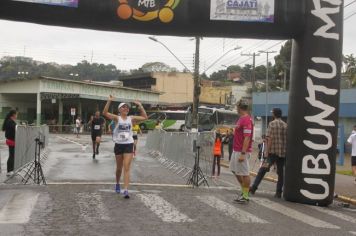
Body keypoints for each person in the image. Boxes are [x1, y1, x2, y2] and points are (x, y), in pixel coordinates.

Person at [103, 96, 147, 199]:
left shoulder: (131, 119)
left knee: (126, 167)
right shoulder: (117, 118)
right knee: (119, 168)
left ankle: (126, 189)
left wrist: (140, 105)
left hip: (128, 144)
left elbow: (145, 117)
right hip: (118, 145)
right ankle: (118, 183)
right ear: (119, 110)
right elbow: (105, 113)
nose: (126, 109)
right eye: (123, 107)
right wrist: (109, 101)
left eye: (127, 107)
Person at [250, 108, 287, 198]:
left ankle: (254, 187)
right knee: (280, 173)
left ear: (274, 114)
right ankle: (278, 192)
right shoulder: (285, 125)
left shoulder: (272, 124)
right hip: (282, 153)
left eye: (272, 113)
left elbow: (269, 139)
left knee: (262, 170)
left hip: (272, 153)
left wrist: (266, 151)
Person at [230, 99, 254, 204]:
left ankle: (245, 195)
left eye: (237, 107)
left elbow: (247, 137)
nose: (236, 109)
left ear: (240, 107)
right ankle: (244, 190)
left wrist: (243, 154)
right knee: (234, 170)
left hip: (241, 151)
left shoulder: (247, 120)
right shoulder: (241, 119)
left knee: (245, 173)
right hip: (236, 149)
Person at [2, 110, 17, 176]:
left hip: (11, 140)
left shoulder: (10, 121)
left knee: (12, 155)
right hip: (11, 141)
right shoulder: (10, 122)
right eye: (16, 114)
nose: (17, 116)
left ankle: (11, 170)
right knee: (12, 155)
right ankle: (9, 171)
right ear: (13, 115)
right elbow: (15, 128)